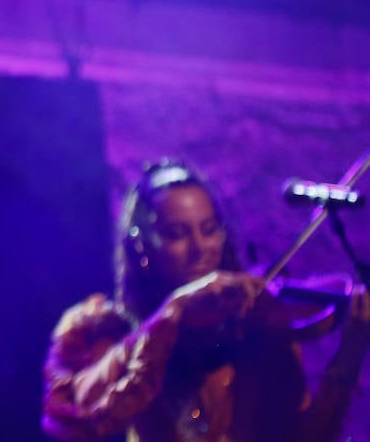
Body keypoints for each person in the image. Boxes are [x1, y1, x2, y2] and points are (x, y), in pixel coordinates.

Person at [42, 158, 370, 441]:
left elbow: (306, 440)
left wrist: (349, 355)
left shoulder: (257, 322)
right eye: (176, 234)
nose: (200, 248)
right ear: (141, 244)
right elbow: (67, 417)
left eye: (210, 229)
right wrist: (175, 311)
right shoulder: (103, 328)